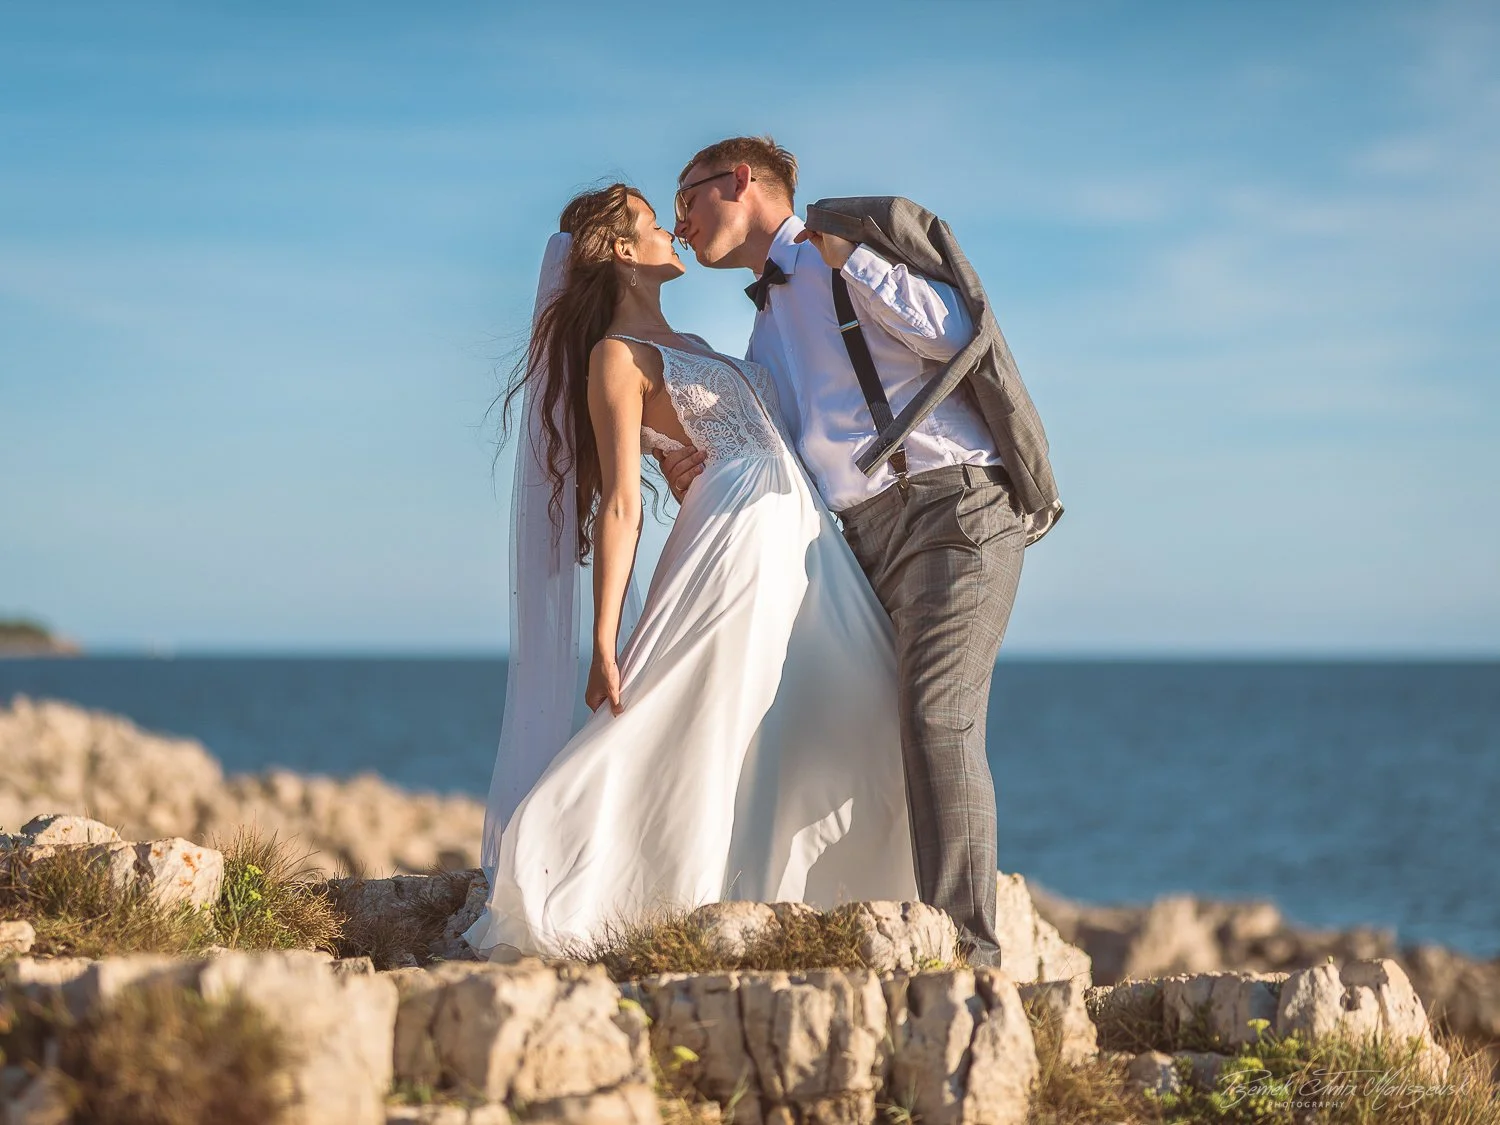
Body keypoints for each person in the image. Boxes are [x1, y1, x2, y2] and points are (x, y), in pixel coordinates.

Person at [463, 183, 919, 960]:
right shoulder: (618, 357)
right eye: (653, 222)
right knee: (702, 718)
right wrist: (604, 640)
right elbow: (619, 509)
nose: (673, 229)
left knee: (854, 705)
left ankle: (806, 891)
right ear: (621, 251)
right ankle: (607, 882)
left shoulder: (705, 347)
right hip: (733, 547)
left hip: (805, 540)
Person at [667, 136, 1056, 967]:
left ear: (741, 181)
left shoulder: (838, 255)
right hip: (859, 543)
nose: (680, 222)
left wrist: (857, 264)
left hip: (955, 510)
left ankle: (972, 958)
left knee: (937, 717)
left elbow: (958, 336)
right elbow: (787, 444)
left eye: (688, 198)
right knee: (859, 730)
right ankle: (873, 916)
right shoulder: (765, 327)